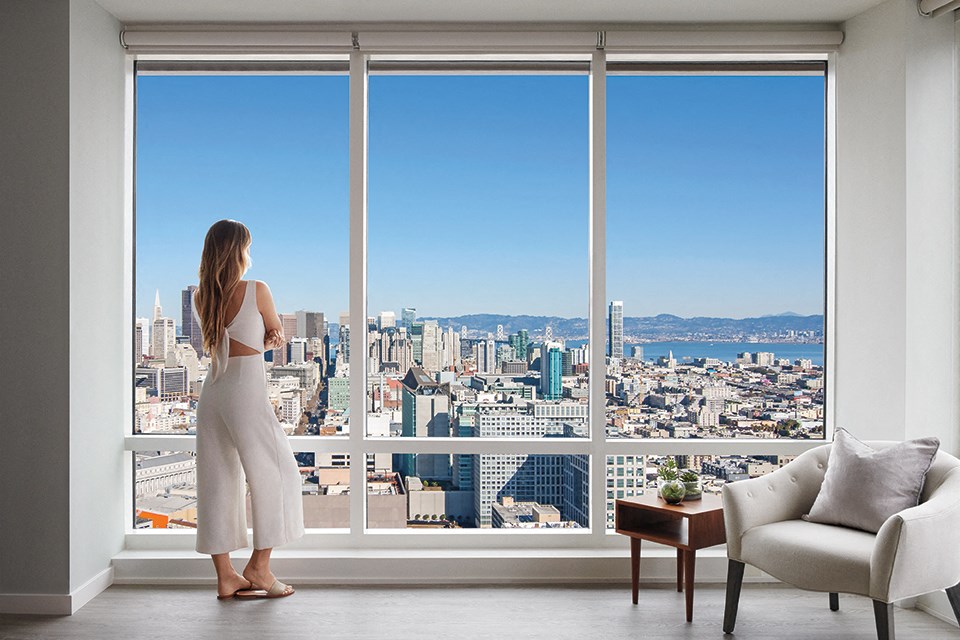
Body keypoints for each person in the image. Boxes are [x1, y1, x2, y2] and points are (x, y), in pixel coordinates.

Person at [193, 219, 305, 600]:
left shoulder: (200, 296)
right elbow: (271, 335)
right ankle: (258, 566)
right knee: (279, 472)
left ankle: (226, 577)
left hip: (213, 392)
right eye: (247, 247)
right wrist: (274, 336)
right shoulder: (257, 289)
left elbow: (226, 341)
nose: (250, 254)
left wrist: (262, 337)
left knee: (217, 481)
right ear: (237, 251)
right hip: (244, 389)